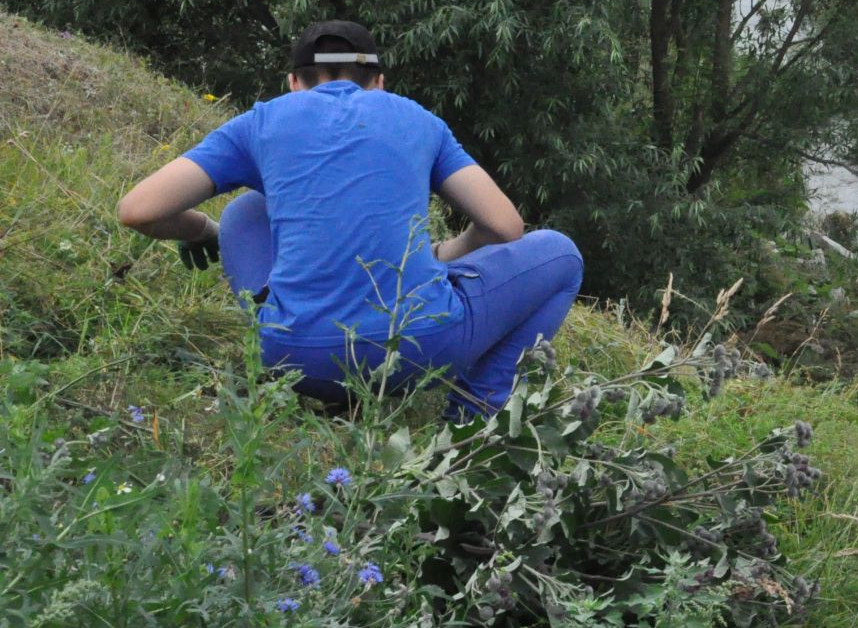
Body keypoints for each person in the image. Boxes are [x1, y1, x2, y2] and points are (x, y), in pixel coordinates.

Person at [116, 20, 583, 418]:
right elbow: (505, 226)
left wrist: (202, 231)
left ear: (294, 83)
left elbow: (138, 210)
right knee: (561, 254)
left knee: (244, 210)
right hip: (419, 350)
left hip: (291, 357)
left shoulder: (262, 120)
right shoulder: (416, 118)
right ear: (379, 82)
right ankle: (473, 416)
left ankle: (315, 372)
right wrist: (442, 257)